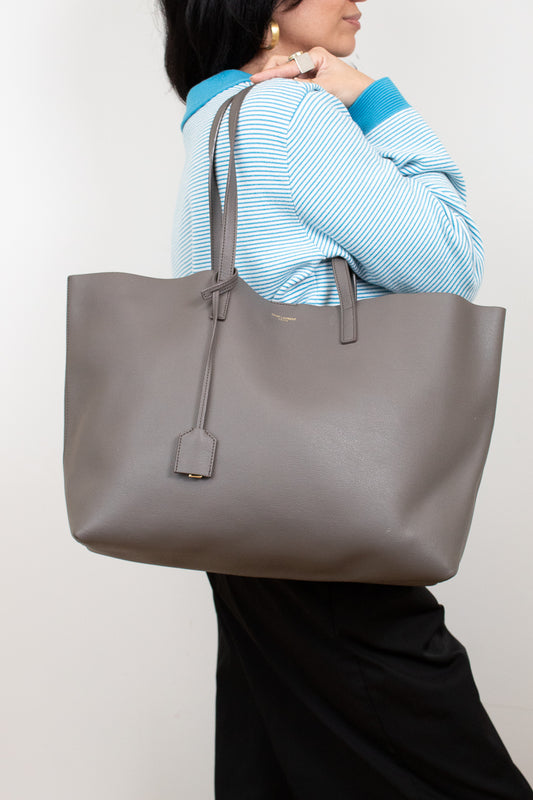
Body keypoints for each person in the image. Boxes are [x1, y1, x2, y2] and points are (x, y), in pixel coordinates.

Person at [157, 0, 533, 796]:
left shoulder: (212, 114)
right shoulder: (289, 113)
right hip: (318, 496)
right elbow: (449, 261)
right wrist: (371, 97)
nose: (356, 1)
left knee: (277, 753)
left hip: (227, 493)